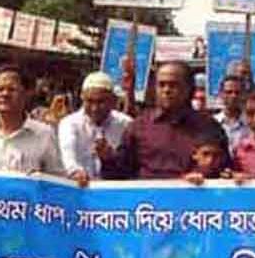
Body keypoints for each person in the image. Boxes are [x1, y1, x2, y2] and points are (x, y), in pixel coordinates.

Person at [98, 61, 229, 180]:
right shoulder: (139, 127)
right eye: (162, 85)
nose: (166, 90)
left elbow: (224, 171)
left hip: (195, 203)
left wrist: (204, 174)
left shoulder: (210, 128)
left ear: (189, 89)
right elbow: (120, 174)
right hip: (148, 203)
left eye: (173, 85)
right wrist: (107, 158)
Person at [0, 64, 64, 175]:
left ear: (26, 94)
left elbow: (57, 179)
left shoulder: (44, 134)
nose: (5, 94)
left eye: (12, 89)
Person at [58, 72, 132, 186]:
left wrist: (112, 158)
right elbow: (68, 155)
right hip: (80, 190)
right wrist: (75, 171)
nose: (94, 108)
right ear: (82, 98)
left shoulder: (126, 124)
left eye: (100, 102)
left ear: (112, 100)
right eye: (89, 101)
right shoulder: (69, 124)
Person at [214, 75, 250, 157]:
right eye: (229, 92)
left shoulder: (252, 124)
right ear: (221, 94)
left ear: (244, 95)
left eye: (237, 92)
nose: (233, 96)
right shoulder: (212, 123)